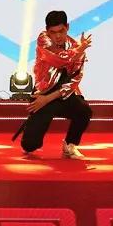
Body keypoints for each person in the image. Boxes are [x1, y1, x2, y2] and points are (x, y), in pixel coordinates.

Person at [19, 10, 93, 160]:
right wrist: (79, 50)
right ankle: (31, 130)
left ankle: (70, 145)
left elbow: (75, 80)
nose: (58, 36)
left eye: (61, 31)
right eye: (53, 32)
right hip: (42, 93)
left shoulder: (76, 47)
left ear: (67, 27)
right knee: (30, 145)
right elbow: (60, 59)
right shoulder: (43, 40)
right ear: (47, 31)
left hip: (60, 95)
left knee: (84, 110)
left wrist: (47, 99)